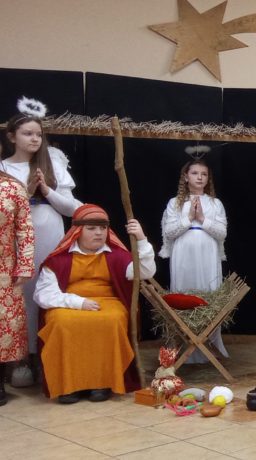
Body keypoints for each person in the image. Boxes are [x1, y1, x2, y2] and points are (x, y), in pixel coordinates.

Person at [33, 204, 153, 403]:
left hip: (108, 302)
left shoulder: (117, 256)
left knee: (112, 320)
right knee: (61, 321)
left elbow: (146, 271)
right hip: (69, 303)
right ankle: (68, 386)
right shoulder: (58, 260)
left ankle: (103, 382)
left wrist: (141, 239)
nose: (99, 233)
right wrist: (78, 302)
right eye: (91, 228)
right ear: (77, 231)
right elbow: (43, 294)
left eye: (103, 228)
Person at [1, 101, 83, 386]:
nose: (34, 139)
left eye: (38, 134)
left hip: (50, 233)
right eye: (27, 133)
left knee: (47, 287)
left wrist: (46, 190)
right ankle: (21, 358)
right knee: (19, 295)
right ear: (12, 137)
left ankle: (45, 355)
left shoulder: (53, 164)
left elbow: (72, 209)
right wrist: (25, 192)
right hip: (15, 239)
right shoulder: (3, 168)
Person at [158, 157, 229, 363]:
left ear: (208, 178)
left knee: (208, 291)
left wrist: (202, 219)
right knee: (184, 291)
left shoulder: (215, 203)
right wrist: (189, 217)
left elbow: (222, 232)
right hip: (183, 253)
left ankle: (208, 345)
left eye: (204, 174)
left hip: (208, 253)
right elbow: (169, 232)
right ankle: (183, 345)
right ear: (186, 177)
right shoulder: (174, 203)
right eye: (195, 173)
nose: (200, 177)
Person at [0, 170, 34, 406]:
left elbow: (25, 230)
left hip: (4, 269)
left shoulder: (12, 188)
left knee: (3, 327)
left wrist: (25, 265)